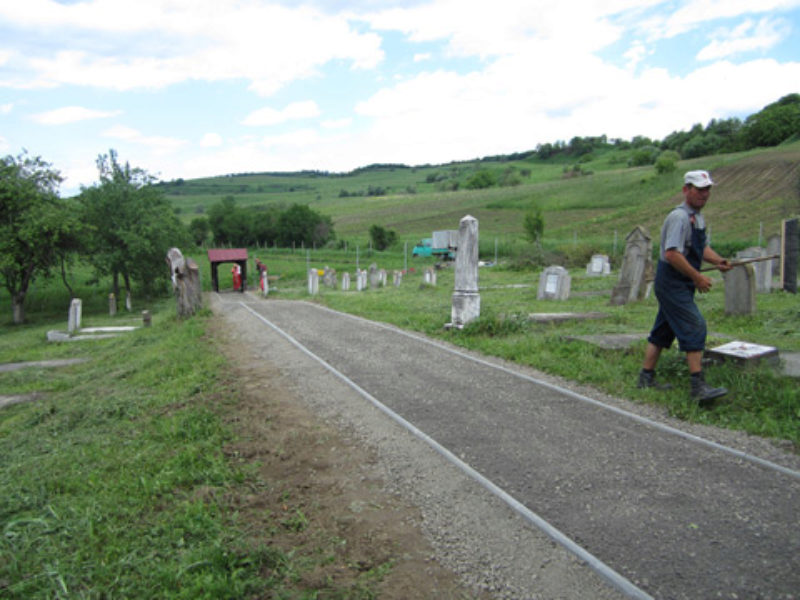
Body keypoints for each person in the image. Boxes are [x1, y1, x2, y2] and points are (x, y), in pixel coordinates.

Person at [638, 170, 732, 405]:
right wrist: (697, 277)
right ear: (686, 190)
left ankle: (645, 378)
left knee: (662, 331)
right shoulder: (679, 217)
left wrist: (718, 261)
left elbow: (701, 249)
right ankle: (698, 386)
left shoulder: (698, 217)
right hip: (672, 281)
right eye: (699, 189)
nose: (704, 194)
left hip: (681, 281)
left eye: (707, 189)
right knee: (694, 326)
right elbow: (672, 254)